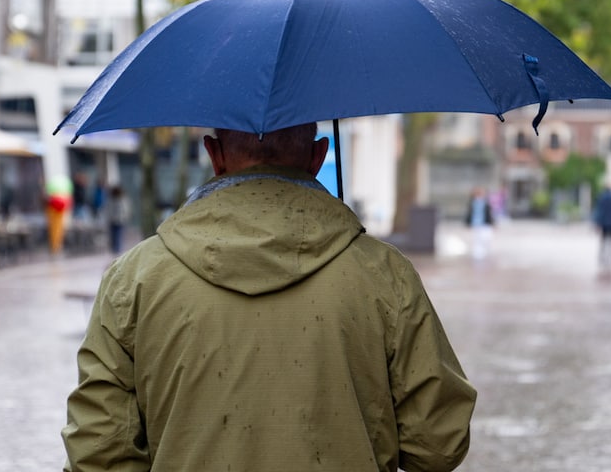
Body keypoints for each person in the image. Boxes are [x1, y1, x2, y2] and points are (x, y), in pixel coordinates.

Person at [62, 123, 476, 472]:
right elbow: (437, 443)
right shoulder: (385, 275)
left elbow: (98, 452)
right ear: (318, 156)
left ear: (214, 154)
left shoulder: (134, 278)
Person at [465, 186, 495, 261]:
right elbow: (469, 214)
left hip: (485, 224)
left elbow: (489, 214)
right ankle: (478, 254)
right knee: (477, 239)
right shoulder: (472, 203)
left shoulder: (486, 203)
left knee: (486, 238)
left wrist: (492, 223)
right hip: (476, 223)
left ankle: (483, 252)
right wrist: (468, 223)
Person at [105, 185, 131, 255]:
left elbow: (125, 210)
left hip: (119, 220)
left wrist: (125, 217)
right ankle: (115, 250)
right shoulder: (112, 200)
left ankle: (117, 250)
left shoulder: (122, 200)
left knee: (117, 235)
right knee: (115, 236)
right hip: (115, 220)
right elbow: (108, 210)